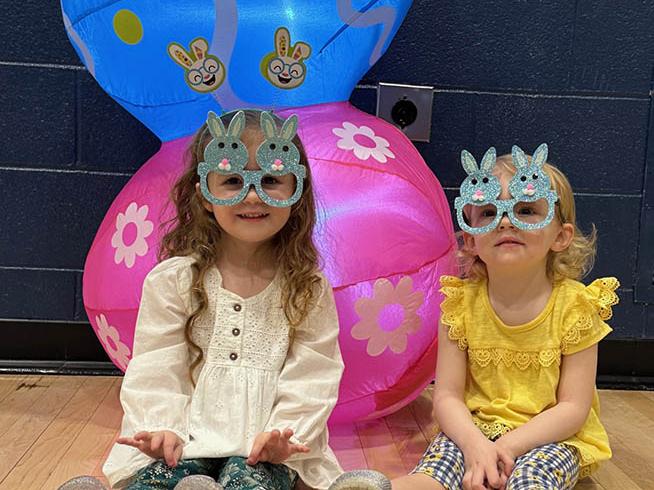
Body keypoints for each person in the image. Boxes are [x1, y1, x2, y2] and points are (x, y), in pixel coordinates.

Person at [59, 109, 344, 490]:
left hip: (264, 449)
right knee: (156, 479)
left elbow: (314, 373)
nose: (253, 194)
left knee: (251, 481)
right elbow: (157, 364)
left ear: (297, 190)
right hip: (185, 438)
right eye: (232, 180)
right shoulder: (173, 281)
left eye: (272, 179)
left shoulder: (307, 288)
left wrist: (284, 434)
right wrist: (162, 427)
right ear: (204, 196)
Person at [388, 144, 618, 490]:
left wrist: (507, 447)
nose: (506, 220)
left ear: (561, 236)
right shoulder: (460, 305)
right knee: (435, 474)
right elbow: (447, 396)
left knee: (531, 480)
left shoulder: (577, 308)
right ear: (470, 240)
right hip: (474, 429)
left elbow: (573, 407)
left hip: (551, 437)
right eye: (489, 211)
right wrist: (474, 444)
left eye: (526, 210)